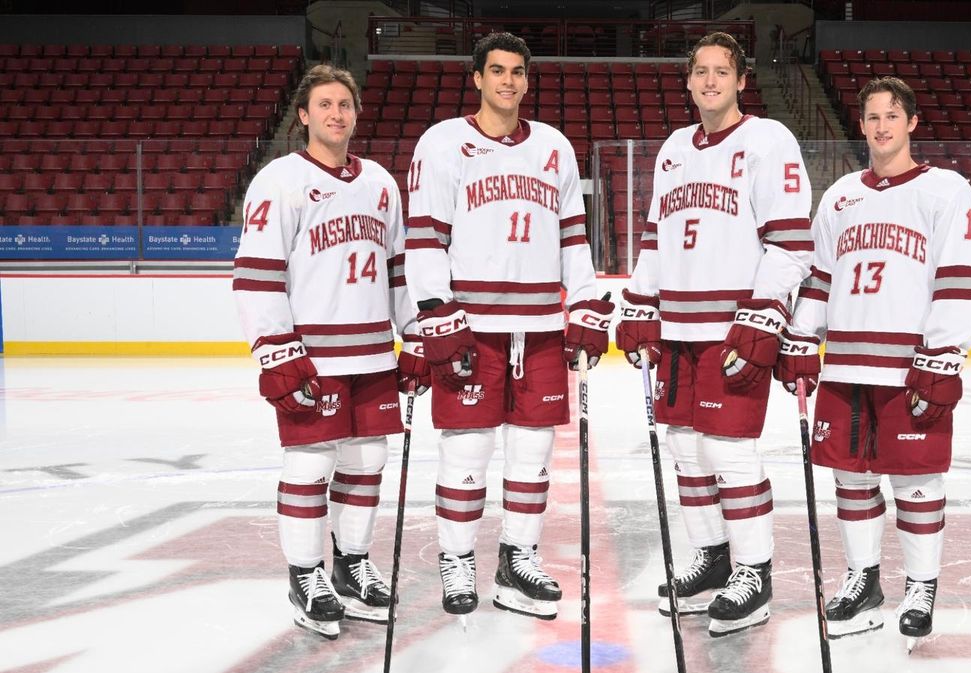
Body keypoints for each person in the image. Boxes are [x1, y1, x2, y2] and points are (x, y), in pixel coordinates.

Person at [400, 32, 613, 621]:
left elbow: (573, 237)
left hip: (541, 326)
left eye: (517, 72)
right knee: (466, 454)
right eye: (496, 70)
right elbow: (424, 238)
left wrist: (587, 301)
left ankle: (518, 558)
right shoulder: (442, 144)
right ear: (476, 77)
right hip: (471, 327)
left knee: (532, 455)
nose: (508, 81)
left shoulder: (554, 147)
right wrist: (434, 311)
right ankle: (458, 558)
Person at [776, 76, 971, 650]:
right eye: (871, 116)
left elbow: (962, 279)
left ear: (912, 123)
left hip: (908, 366)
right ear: (862, 124)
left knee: (916, 479)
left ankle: (921, 586)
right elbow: (820, 276)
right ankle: (863, 581)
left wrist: (943, 356)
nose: (881, 126)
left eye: (892, 115)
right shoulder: (842, 194)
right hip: (845, 364)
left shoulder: (945, 191)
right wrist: (800, 338)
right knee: (851, 476)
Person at [615, 31, 813, 637]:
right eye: (699, 71)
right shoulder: (675, 148)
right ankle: (714, 559)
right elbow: (654, 240)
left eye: (720, 72)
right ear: (689, 80)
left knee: (730, 453)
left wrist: (763, 317)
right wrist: (639, 303)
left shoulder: (769, 140)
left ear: (742, 79)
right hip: (676, 331)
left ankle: (754, 572)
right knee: (687, 453)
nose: (709, 81)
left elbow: (790, 244)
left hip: (732, 329)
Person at [232, 64, 413, 640]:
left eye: (346, 105)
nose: (337, 114)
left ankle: (352, 563)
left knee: (366, 465)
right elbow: (257, 276)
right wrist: (277, 350)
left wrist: (416, 336)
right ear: (304, 115)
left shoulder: (382, 183)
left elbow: (398, 272)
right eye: (326, 105)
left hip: (372, 355)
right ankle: (305, 576)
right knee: (310, 468)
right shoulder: (278, 181)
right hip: (313, 356)